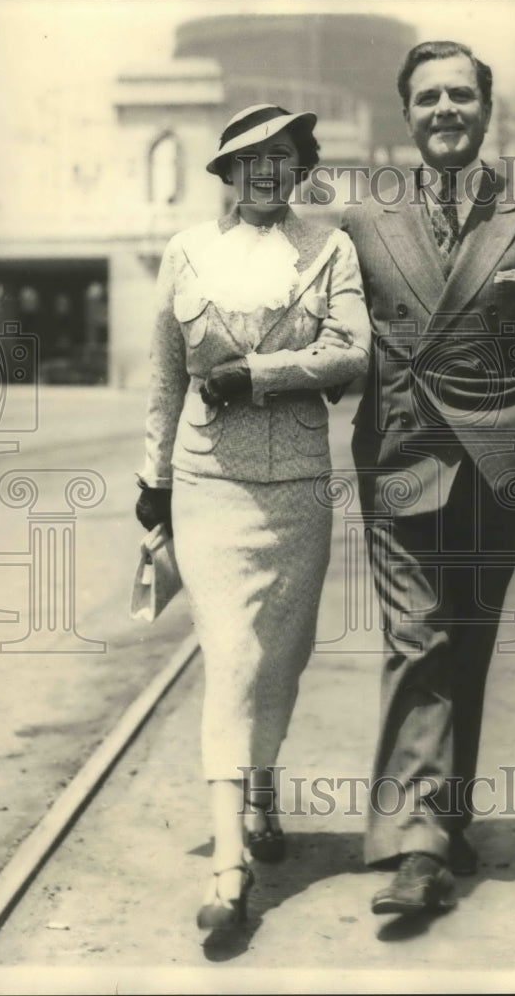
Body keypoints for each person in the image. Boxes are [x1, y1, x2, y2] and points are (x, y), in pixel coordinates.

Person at [342, 41, 515, 915]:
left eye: (461, 95)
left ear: (486, 112)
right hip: (399, 459)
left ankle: (444, 816)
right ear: (407, 115)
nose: (445, 111)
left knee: (465, 642)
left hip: (493, 468)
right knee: (417, 639)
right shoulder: (364, 223)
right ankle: (416, 847)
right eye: (427, 99)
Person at [135, 103, 370, 931]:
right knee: (230, 659)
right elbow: (164, 372)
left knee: (280, 662)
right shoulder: (188, 251)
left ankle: (265, 789)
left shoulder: (330, 249)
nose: (267, 171)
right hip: (207, 484)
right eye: (251, 158)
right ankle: (228, 867)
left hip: (299, 484)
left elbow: (353, 349)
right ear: (227, 173)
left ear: (301, 168)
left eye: (283, 157)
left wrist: (260, 373)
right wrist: (152, 477)